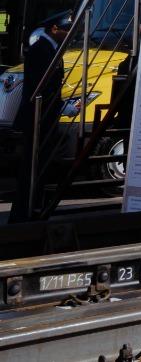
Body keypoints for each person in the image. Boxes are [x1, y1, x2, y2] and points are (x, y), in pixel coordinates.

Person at [8, 12, 70, 223]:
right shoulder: (41, 50)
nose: (69, 34)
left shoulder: (49, 48)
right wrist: (62, 106)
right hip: (38, 116)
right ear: (54, 29)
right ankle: (24, 213)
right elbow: (41, 86)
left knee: (40, 166)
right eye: (65, 29)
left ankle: (32, 207)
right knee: (32, 166)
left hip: (45, 115)